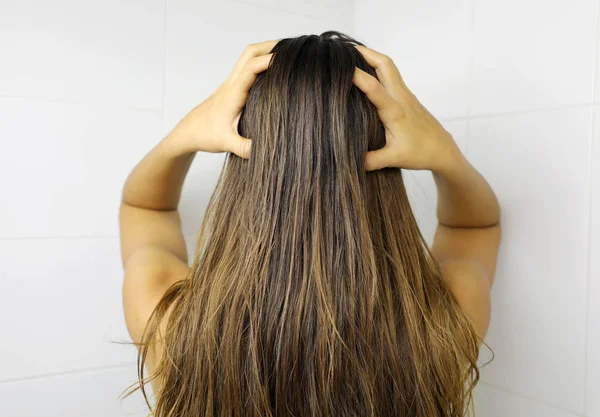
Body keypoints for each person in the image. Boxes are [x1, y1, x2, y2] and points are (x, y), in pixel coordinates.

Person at [119, 31, 501, 417]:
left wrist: (183, 136)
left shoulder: (175, 334)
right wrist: (446, 152)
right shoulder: (439, 335)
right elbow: (475, 227)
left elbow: (144, 208)